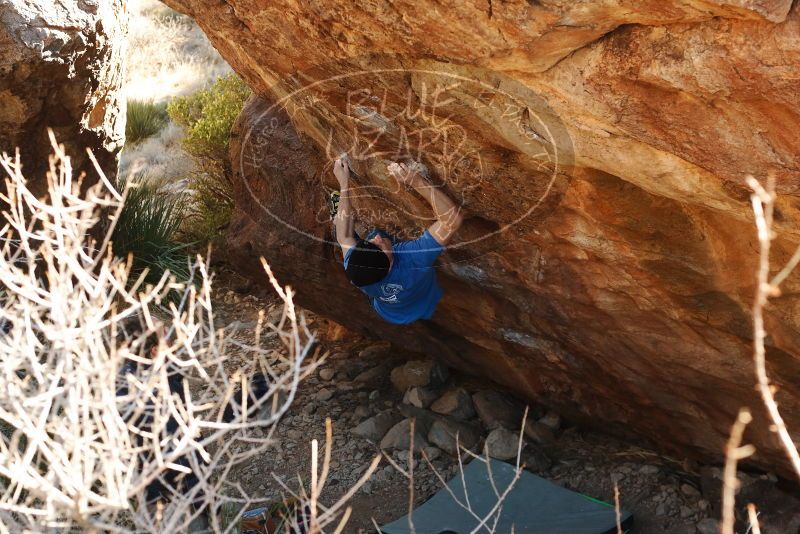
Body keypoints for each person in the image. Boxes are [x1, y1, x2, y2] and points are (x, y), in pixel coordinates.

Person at [331, 157, 463, 324]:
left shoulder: (358, 271)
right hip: (420, 299)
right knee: (377, 233)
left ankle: (336, 217)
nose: (376, 239)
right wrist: (414, 180)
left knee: (340, 229)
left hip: (389, 311)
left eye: (371, 244)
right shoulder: (413, 260)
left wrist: (344, 184)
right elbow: (452, 220)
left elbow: (344, 236)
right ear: (389, 266)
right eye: (379, 247)